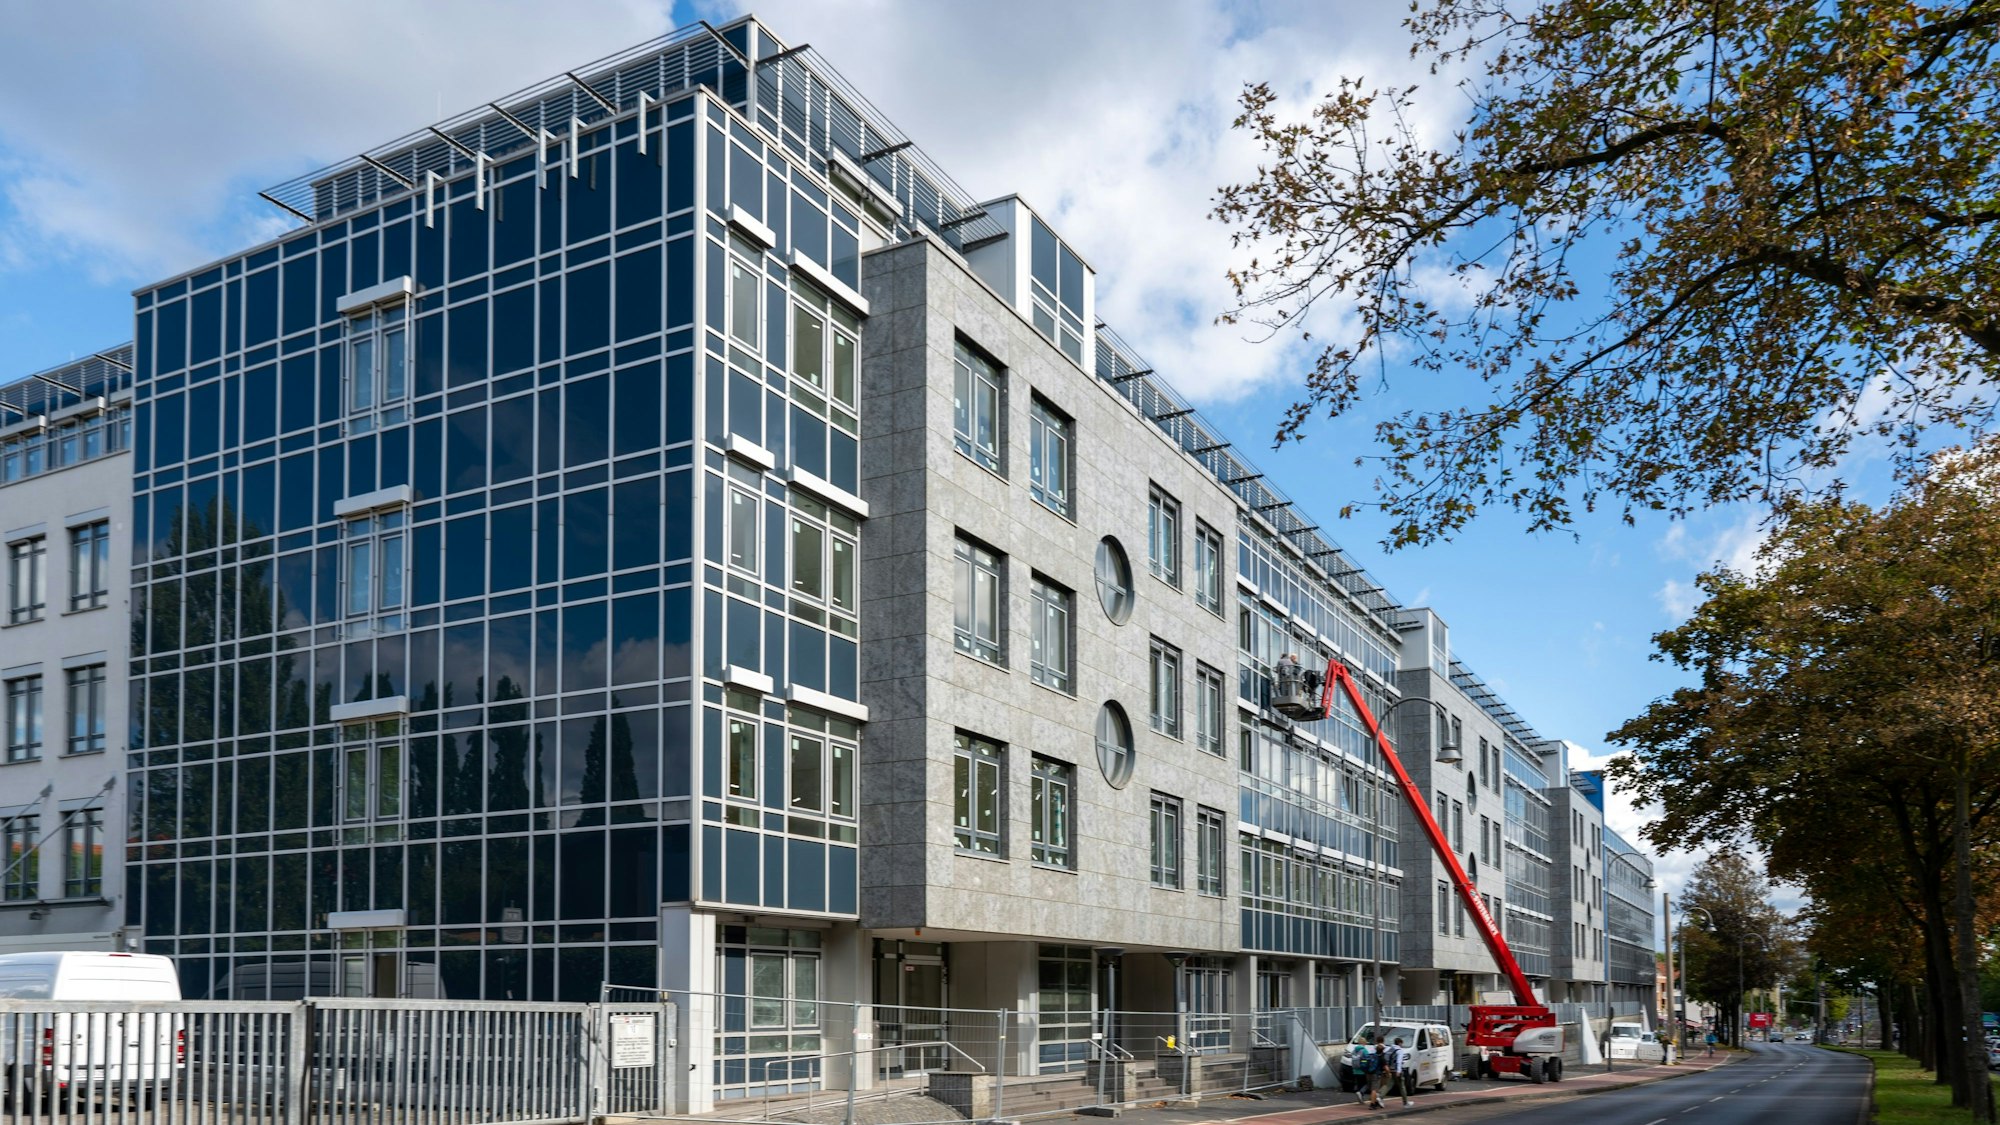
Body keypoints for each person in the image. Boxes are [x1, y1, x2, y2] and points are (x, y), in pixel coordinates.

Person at [1389, 1036, 1413, 1107]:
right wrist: (1399, 1071)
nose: (1402, 1045)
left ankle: (1379, 1097)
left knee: (1389, 1084)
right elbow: (1399, 1061)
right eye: (1401, 1043)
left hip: (1391, 1069)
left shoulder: (1391, 1049)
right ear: (1399, 1043)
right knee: (1402, 1086)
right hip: (1397, 1070)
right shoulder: (1400, 1051)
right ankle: (1405, 1103)